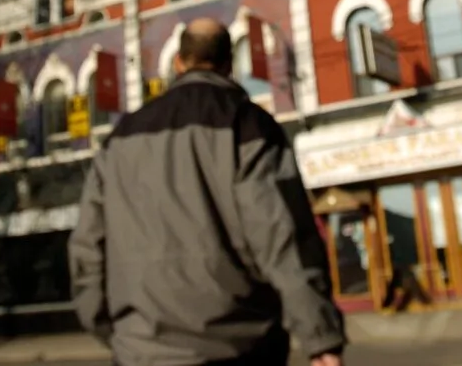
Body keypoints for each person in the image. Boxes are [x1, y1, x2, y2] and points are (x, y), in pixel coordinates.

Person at [70, 18, 346, 366]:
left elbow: (88, 247)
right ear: (230, 64)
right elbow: (282, 236)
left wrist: (114, 331)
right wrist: (319, 336)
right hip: (239, 346)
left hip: (139, 350)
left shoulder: (120, 139)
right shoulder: (249, 125)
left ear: (178, 63)